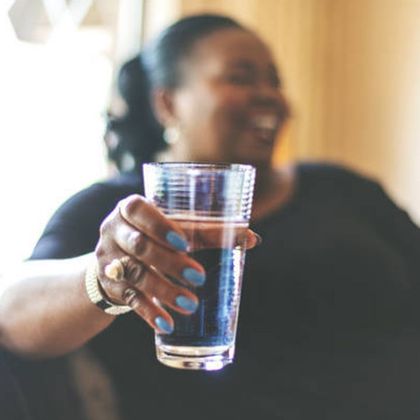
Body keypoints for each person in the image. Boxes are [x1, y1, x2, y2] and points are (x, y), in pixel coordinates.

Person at [1, 13, 420, 420]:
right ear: (167, 102)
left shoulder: (342, 189)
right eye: (240, 77)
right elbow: (11, 311)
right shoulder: (122, 209)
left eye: (274, 80)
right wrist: (105, 277)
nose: (270, 96)